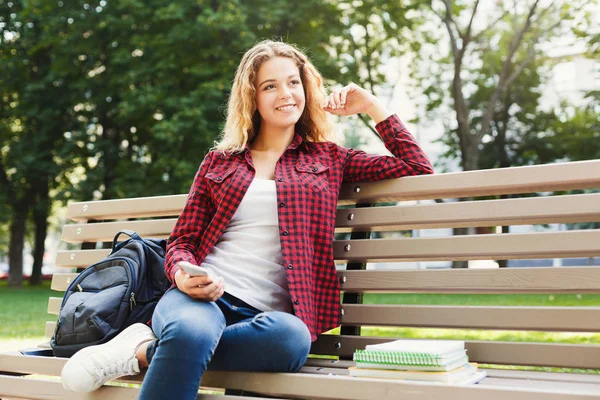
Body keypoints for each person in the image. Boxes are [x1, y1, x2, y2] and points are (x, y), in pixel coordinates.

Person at [61, 39, 433, 398]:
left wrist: (371, 105)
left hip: (266, 318)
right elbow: (182, 241)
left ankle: (140, 351)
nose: (286, 94)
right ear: (252, 98)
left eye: (293, 82)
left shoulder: (329, 159)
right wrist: (181, 274)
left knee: (292, 340)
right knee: (191, 334)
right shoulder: (221, 162)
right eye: (270, 86)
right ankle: (169, 341)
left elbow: (418, 167)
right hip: (200, 301)